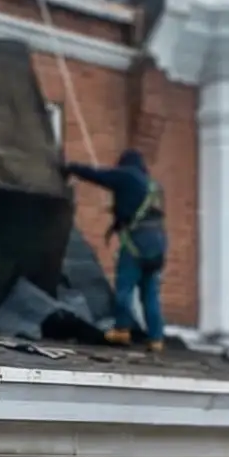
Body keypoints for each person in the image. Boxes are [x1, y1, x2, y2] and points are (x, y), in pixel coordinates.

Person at [64, 149, 166, 348]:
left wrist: (72, 168)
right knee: (150, 292)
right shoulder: (153, 186)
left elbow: (98, 175)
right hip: (159, 243)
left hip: (137, 241)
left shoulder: (126, 176)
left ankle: (121, 330)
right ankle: (156, 338)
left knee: (125, 287)